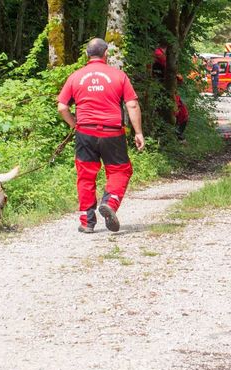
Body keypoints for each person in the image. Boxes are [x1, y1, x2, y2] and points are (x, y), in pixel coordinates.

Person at [57, 38, 144, 234]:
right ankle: (110, 202)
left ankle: (87, 221)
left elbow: (62, 107)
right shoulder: (119, 76)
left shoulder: (75, 77)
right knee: (120, 170)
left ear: (87, 54)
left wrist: (75, 124)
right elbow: (132, 105)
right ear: (106, 54)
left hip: (85, 132)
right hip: (112, 132)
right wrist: (138, 133)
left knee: (86, 175)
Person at [175, 74, 189, 142]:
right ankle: (179, 135)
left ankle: (179, 135)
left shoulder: (176, 93)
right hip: (180, 115)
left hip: (182, 116)